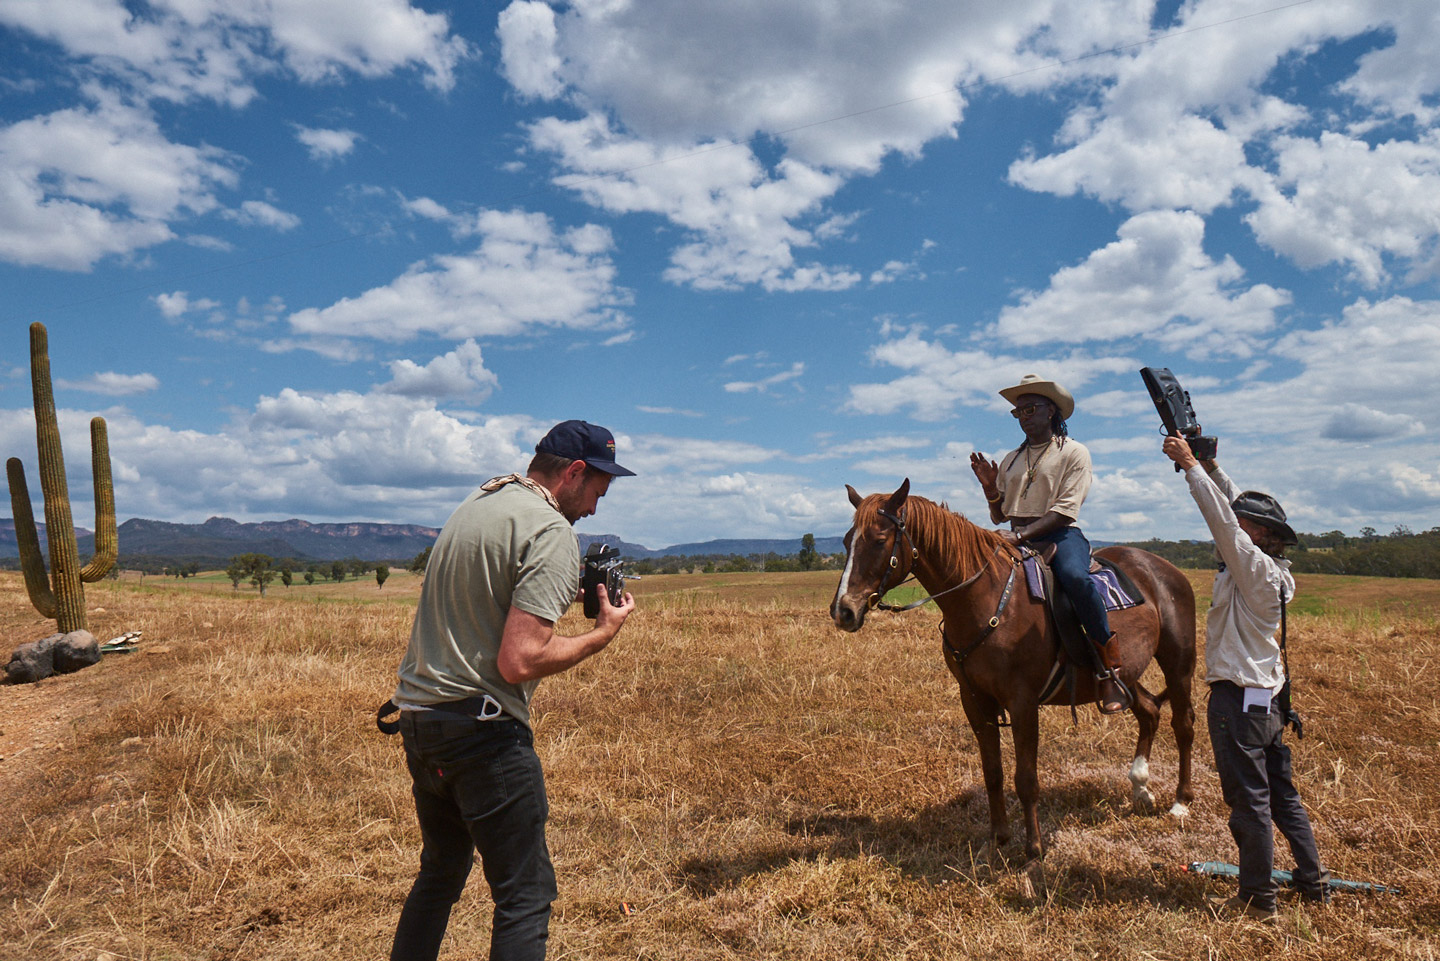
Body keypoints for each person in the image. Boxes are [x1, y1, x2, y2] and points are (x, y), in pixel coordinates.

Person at [388, 420, 637, 961]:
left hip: (420, 722)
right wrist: (600, 635)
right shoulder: (550, 530)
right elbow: (520, 659)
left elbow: (486, 592)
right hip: (483, 734)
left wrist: (557, 589)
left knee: (439, 874)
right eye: (598, 491)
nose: (595, 508)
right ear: (574, 472)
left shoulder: (480, 502)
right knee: (525, 896)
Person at [1162, 433, 1328, 921]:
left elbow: (1222, 519)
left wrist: (1191, 467)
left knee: (1249, 804)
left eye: (1245, 525)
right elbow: (1233, 512)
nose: (1237, 526)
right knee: (1283, 798)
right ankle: (1314, 883)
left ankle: (1258, 899)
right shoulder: (1272, 570)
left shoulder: (1252, 568)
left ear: (1258, 534)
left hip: (1237, 703)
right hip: (1269, 700)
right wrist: (1213, 467)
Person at [970, 373, 1130, 714]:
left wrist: (1020, 536)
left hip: (1059, 535)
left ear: (1051, 410)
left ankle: (1109, 670)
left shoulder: (1074, 452)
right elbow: (1000, 516)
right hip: (1014, 535)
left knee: (1075, 579)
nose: (1023, 417)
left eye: (1030, 409)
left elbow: (1065, 511)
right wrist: (990, 489)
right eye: (1018, 412)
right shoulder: (1011, 459)